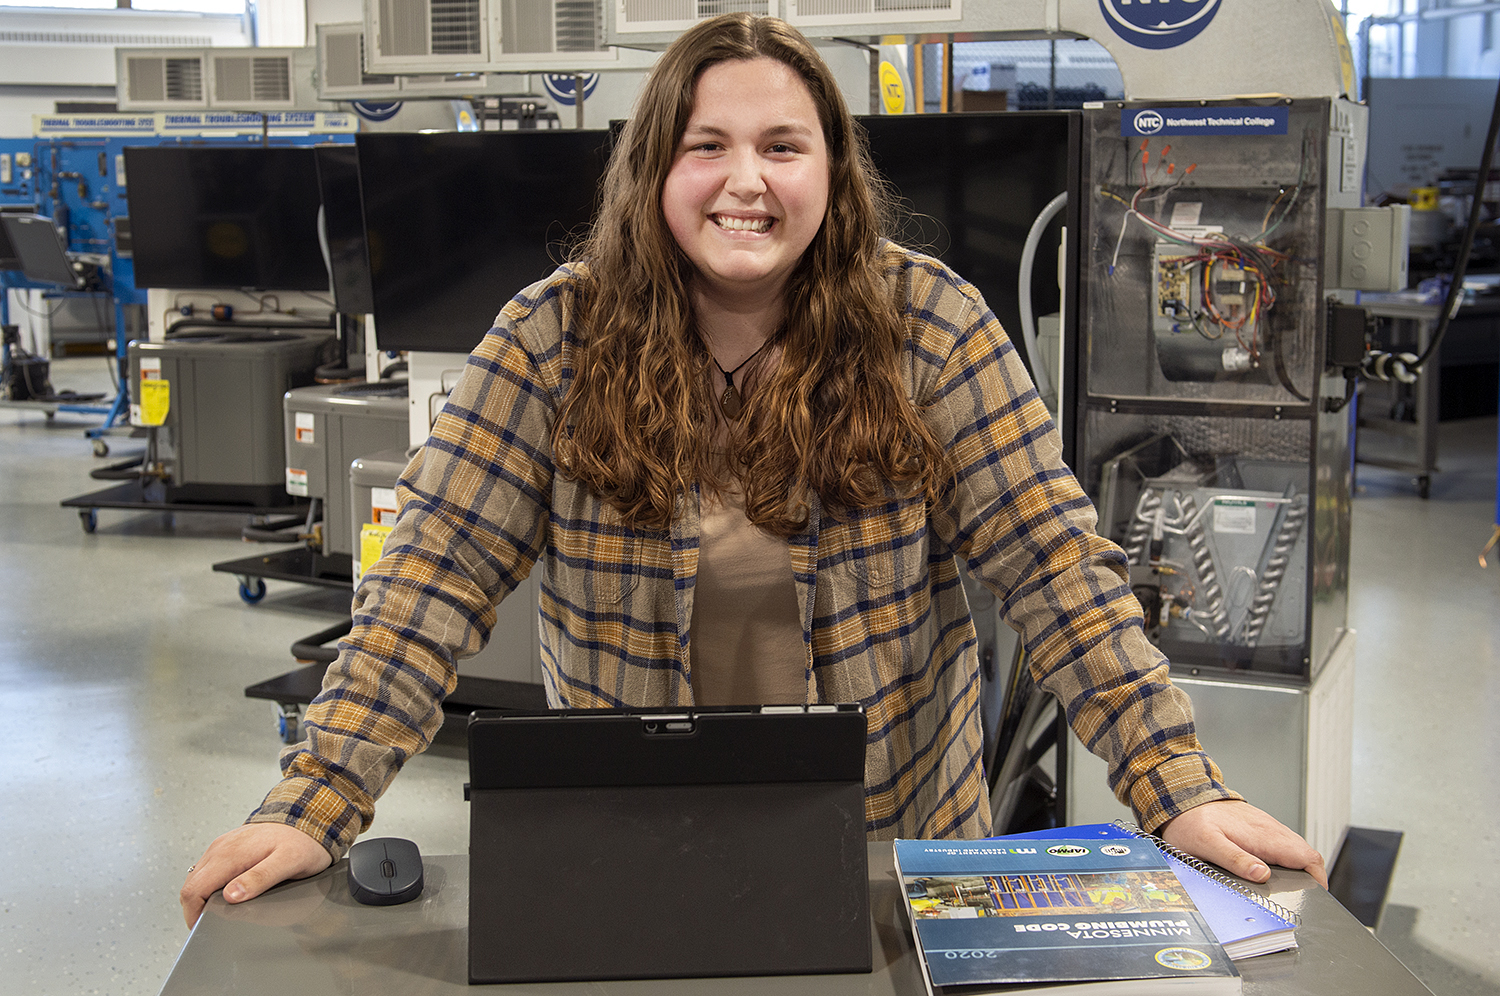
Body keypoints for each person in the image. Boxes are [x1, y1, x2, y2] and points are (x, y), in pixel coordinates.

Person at [181, 12, 1325, 928]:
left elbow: (1056, 568)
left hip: (898, 850)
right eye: (706, 147)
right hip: (638, 834)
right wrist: (316, 804)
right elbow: (426, 584)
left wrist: (1175, 783)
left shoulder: (930, 325)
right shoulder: (552, 339)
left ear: (831, 167)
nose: (747, 181)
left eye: (784, 146)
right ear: (653, 170)